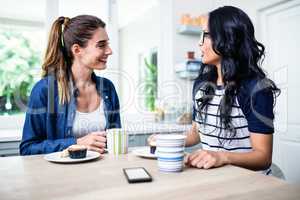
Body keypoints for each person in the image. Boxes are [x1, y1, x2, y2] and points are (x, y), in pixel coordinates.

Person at [150, 6, 280, 174]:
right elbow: (196, 134)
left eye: (206, 34)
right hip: (213, 179)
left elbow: (263, 157)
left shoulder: (256, 88)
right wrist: (165, 140)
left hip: (249, 184)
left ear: (228, 38)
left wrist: (222, 157)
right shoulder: (201, 85)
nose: (199, 42)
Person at [20, 15, 121, 155]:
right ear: (77, 50)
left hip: (102, 173)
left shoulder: (108, 88)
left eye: (108, 44)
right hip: (61, 176)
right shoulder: (45, 90)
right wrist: (76, 143)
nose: (109, 51)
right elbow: (28, 149)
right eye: (101, 45)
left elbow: (114, 142)